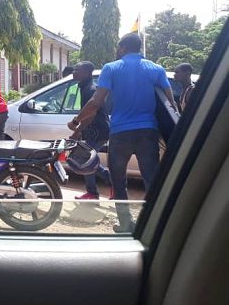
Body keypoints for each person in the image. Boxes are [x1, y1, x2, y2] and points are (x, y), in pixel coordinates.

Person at [69, 33, 176, 232]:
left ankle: (126, 224)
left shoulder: (111, 68)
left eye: (118, 48)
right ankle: (154, 225)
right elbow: (171, 103)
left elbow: (95, 102)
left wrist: (76, 121)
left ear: (123, 48)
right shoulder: (156, 69)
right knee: (152, 180)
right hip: (148, 132)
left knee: (118, 181)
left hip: (120, 133)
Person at [70, 61, 112, 200]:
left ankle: (108, 186)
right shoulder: (84, 87)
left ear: (88, 73)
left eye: (78, 69)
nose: (74, 72)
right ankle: (94, 191)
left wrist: (77, 131)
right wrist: (80, 131)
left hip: (98, 131)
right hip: (93, 131)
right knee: (88, 160)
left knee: (86, 160)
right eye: (74, 69)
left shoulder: (90, 89)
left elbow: (91, 114)